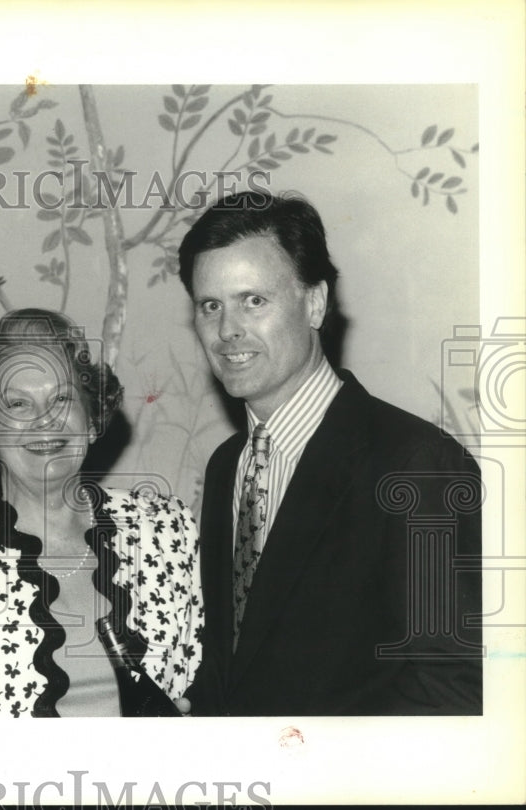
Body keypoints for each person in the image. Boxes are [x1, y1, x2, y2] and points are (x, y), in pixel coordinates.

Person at [177, 190, 482, 715]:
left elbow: (454, 689)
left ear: (314, 303)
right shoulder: (228, 465)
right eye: (211, 306)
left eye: (254, 300)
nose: (227, 330)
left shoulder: (416, 463)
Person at [0, 309, 202, 717]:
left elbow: (206, 688)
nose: (44, 420)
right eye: (16, 404)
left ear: (92, 420)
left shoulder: (167, 529)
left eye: (61, 398)